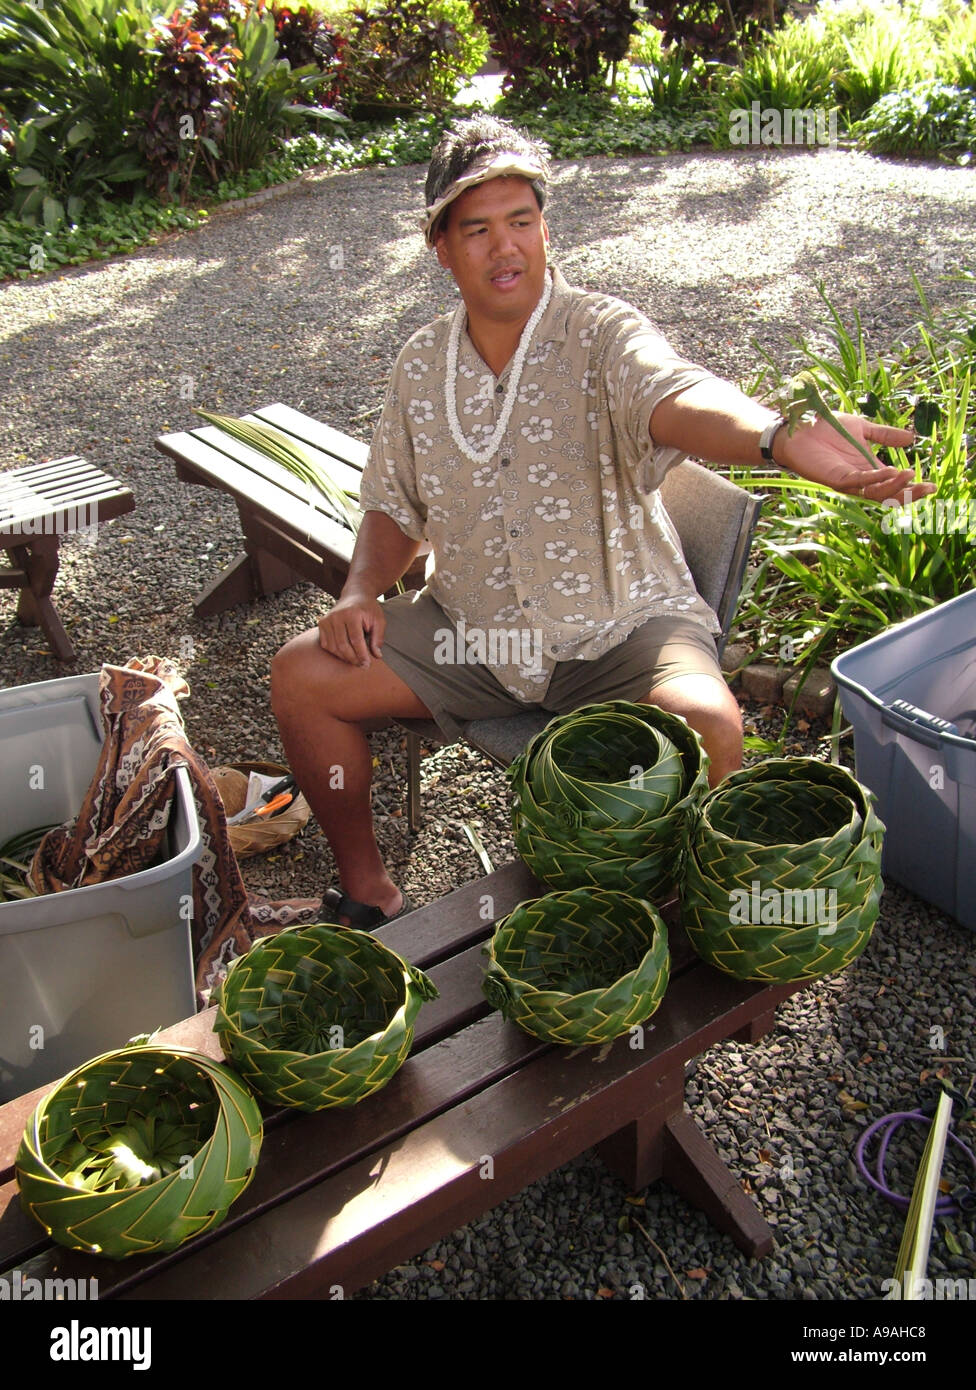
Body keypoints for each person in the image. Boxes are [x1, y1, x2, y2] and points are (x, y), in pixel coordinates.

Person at [271, 115, 932, 930]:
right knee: (303, 677)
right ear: (441, 247)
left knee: (711, 722)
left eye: (522, 221)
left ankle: (698, 914)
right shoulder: (421, 365)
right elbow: (394, 502)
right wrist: (361, 589)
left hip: (624, 622)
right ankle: (370, 894)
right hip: (476, 632)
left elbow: (680, 395)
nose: (504, 247)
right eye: (476, 229)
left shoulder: (601, 333)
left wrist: (774, 434)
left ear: (545, 228)